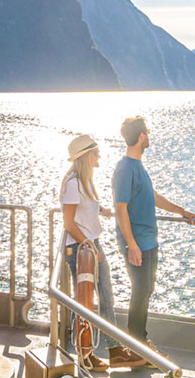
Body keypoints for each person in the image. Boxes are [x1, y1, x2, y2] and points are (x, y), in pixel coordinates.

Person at [110, 116, 195, 368]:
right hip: (137, 243)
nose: (149, 136)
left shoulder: (138, 166)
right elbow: (120, 208)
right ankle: (138, 345)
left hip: (148, 241)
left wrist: (181, 211)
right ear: (140, 137)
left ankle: (139, 345)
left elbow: (153, 196)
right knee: (140, 292)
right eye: (147, 132)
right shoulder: (125, 168)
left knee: (145, 291)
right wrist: (131, 245)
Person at [59, 134, 116, 372]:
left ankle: (110, 347)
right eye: (95, 152)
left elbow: (84, 210)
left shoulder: (85, 182)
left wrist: (101, 210)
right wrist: (90, 247)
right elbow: (69, 223)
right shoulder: (73, 183)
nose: (99, 156)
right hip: (82, 249)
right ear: (85, 157)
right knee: (85, 301)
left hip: (90, 245)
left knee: (102, 296)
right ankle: (85, 354)